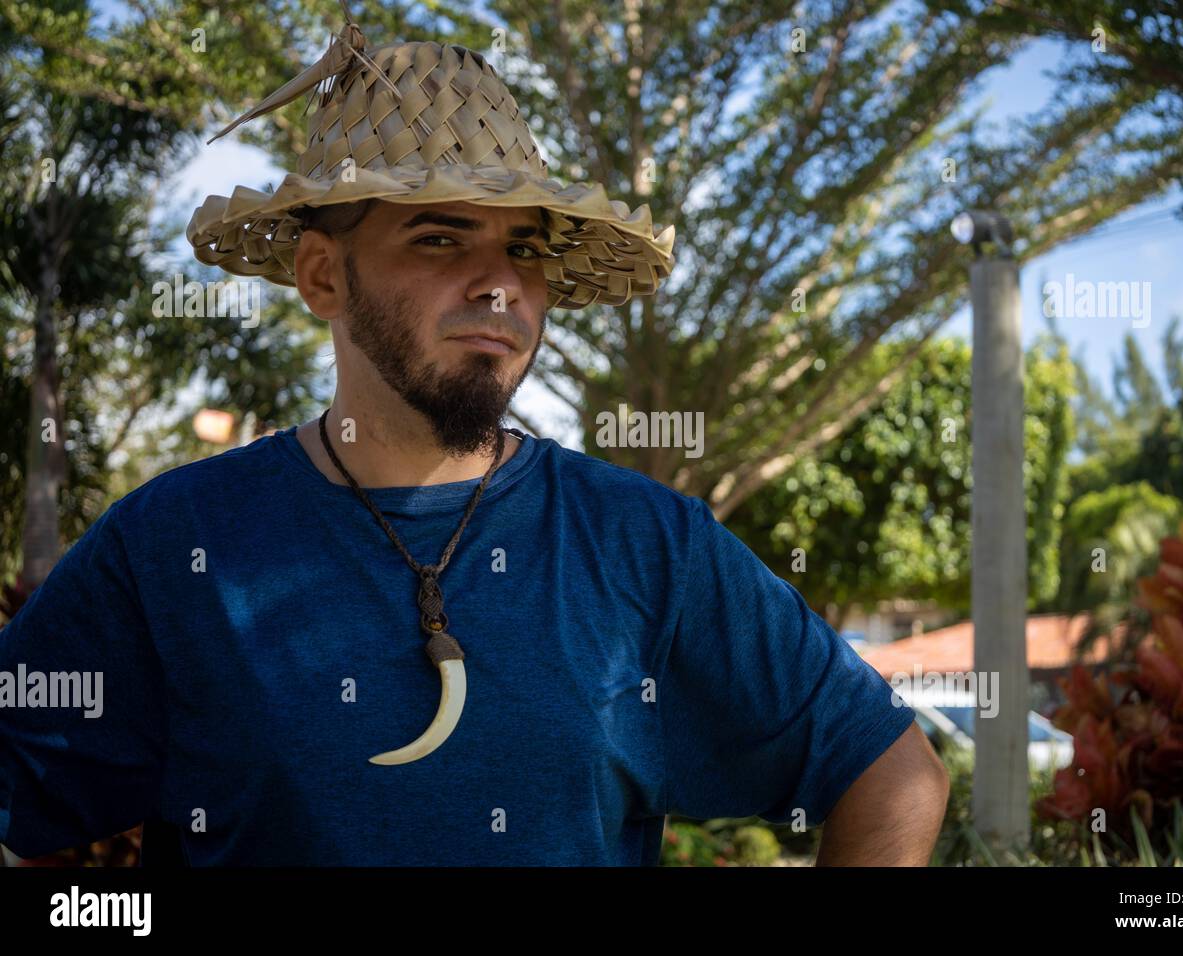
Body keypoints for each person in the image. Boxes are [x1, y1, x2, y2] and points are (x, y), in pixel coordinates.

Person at [0, 17, 947, 866]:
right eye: (442, 239)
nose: (501, 285)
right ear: (324, 277)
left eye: (525, 250)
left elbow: (895, 773)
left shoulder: (646, 545)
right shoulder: (171, 547)